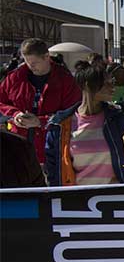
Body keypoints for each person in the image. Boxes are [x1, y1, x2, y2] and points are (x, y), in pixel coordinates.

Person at [44, 62, 124, 186]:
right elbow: (53, 168)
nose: (113, 88)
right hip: (77, 199)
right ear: (88, 86)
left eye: (112, 82)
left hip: (115, 198)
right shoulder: (60, 125)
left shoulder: (118, 120)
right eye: (107, 84)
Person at [0, 38, 82, 166]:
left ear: (46, 57)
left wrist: (41, 121)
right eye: (27, 62)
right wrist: (15, 114)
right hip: (18, 148)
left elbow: (74, 111)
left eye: (34, 62)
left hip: (53, 149)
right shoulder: (15, 77)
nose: (30, 66)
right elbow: (1, 101)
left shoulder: (65, 80)